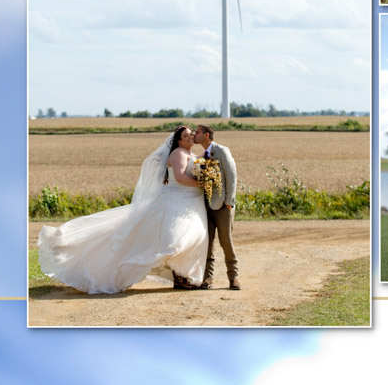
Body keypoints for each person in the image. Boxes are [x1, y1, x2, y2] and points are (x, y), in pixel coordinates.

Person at [36, 126, 209, 294]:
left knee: (190, 237)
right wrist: (203, 183)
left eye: (191, 135)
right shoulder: (178, 153)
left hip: (190, 201)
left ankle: (182, 277)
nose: (190, 137)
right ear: (178, 140)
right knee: (177, 239)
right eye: (185, 136)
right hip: (177, 199)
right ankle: (176, 277)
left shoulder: (191, 154)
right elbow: (179, 177)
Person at [192, 124, 238, 290]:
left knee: (226, 242)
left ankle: (234, 277)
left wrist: (229, 202)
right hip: (204, 206)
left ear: (206, 135)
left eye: (197, 132)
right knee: (207, 243)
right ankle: (207, 278)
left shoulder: (222, 151)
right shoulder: (200, 156)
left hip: (222, 206)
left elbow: (231, 176)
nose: (193, 135)